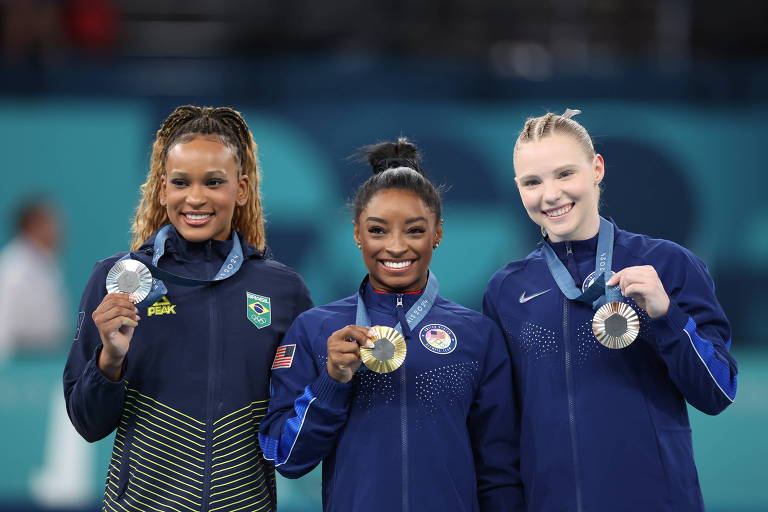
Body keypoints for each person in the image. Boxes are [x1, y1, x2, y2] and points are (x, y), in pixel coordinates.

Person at [483, 109, 738, 511]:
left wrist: (667, 316)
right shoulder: (507, 290)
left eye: (565, 174)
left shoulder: (668, 264)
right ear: (518, 188)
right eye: (533, 182)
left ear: (596, 168)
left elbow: (718, 391)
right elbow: (499, 429)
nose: (550, 194)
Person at [63, 105, 312, 512]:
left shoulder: (283, 290)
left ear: (242, 188)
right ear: (163, 189)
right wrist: (110, 360)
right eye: (181, 182)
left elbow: (294, 434)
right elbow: (87, 424)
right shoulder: (117, 280)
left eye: (214, 182)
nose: (195, 197)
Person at [259, 138, 524, 511]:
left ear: (438, 233)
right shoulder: (316, 330)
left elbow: (499, 471)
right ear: (356, 234)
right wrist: (332, 382)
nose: (396, 247)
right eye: (378, 231)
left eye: (414, 230)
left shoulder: (477, 335)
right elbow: (285, 458)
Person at [0, 198, 68, 361]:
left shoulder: (47, 263)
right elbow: (5, 324)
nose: (57, 229)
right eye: (49, 223)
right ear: (33, 226)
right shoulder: (15, 266)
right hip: (21, 364)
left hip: (44, 358)